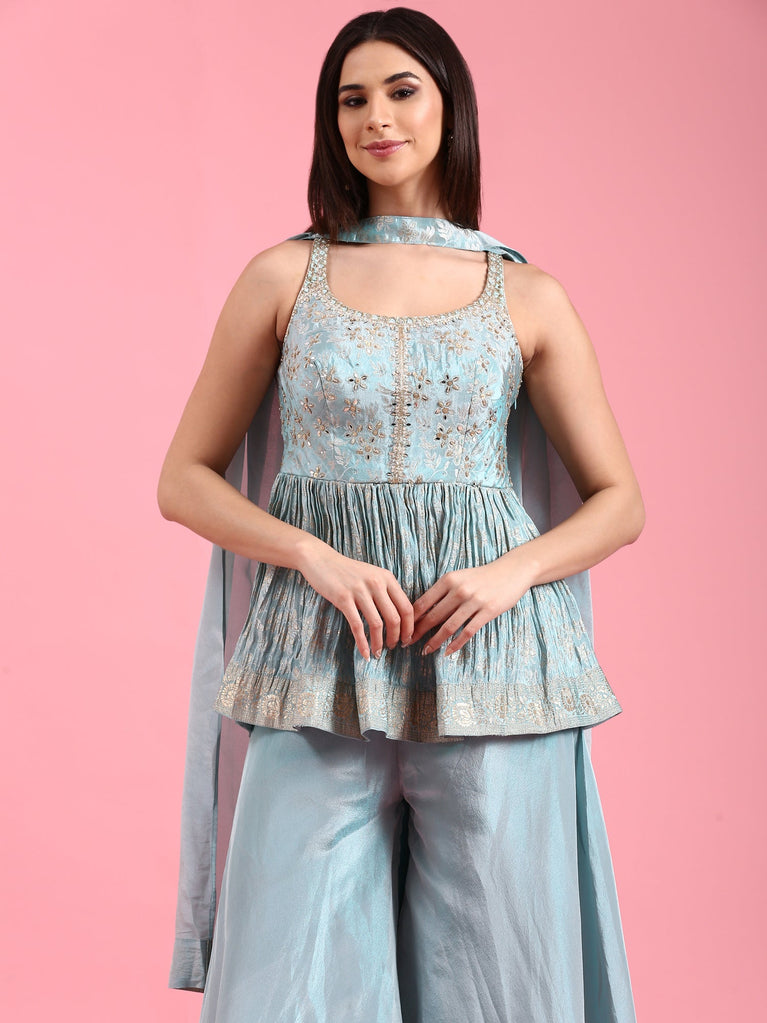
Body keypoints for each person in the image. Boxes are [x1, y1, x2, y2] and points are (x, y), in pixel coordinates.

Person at [158, 7, 644, 1021]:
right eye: (350, 99)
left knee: (500, 976)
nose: (374, 117)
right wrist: (310, 555)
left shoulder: (527, 295)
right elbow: (184, 479)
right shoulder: (283, 275)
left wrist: (509, 573)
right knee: (283, 978)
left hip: (491, 659)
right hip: (314, 652)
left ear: (449, 105)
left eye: (400, 90)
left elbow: (619, 501)